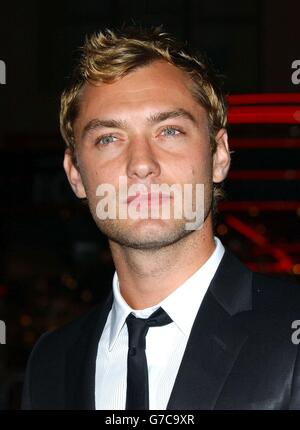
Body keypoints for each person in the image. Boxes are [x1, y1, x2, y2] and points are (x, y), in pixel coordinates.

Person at [22, 26, 300, 410]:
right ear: (75, 174)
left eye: (169, 131)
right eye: (108, 138)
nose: (141, 164)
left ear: (219, 155)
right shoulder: (51, 362)